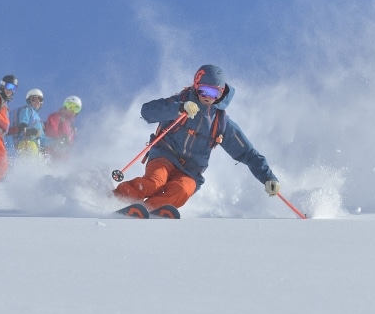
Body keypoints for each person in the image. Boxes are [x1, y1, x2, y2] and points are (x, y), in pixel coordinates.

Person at [114, 64, 280, 210]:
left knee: (181, 192)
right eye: (204, 90)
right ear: (196, 86)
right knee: (154, 183)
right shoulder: (181, 102)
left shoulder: (221, 122)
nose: (208, 96)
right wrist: (178, 109)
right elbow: (147, 111)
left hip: (191, 172)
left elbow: (247, 153)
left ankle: (150, 210)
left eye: (214, 93)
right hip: (164, 157)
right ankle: (119, 198)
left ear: (221, 93)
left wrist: (268, 177)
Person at [11, 88, 49, 156]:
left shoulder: (38, 119)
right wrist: (30, 131)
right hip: (27, 142)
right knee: (29, 163)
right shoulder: (27, 110)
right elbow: (23, 124)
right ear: (29, 101)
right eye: (34, 99)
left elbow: (43, 139)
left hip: (36, 145)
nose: (37, 101)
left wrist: (56, 142)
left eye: (40, 99)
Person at [44, 95, 82, 161]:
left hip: (62, 159)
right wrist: (61, 138)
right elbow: (51, 131)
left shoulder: (71, 127)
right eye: (70, 106)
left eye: (76, 108)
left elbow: (69, 145)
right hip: (51, 153)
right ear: (65, 106)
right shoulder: (56, 117)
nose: (72, 110)